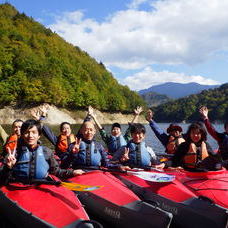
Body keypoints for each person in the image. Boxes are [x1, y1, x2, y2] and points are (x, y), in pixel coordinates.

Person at [0, 119, 84, 185]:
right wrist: (8, 168)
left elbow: (56, 171)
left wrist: (72, 172)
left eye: (34, 132)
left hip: (41, 186)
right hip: (18, 187)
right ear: (22, 135)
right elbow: (2, 179)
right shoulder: (13, 153)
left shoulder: (46, 152)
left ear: (39, 136)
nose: (30, 136)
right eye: (26, 133)